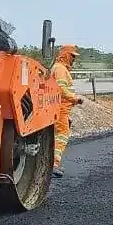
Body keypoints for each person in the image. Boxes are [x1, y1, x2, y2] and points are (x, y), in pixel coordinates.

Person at [50, 44, 85, 177]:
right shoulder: (60, 69)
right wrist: (75, 99)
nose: (73, 59)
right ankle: (53, 164)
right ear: (65, 55)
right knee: (62, 135)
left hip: (62, 108)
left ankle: (51, 163)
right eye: (72, 56)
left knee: (57, 136)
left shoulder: (61, 68)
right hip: (60, 108)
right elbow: (61, 89)